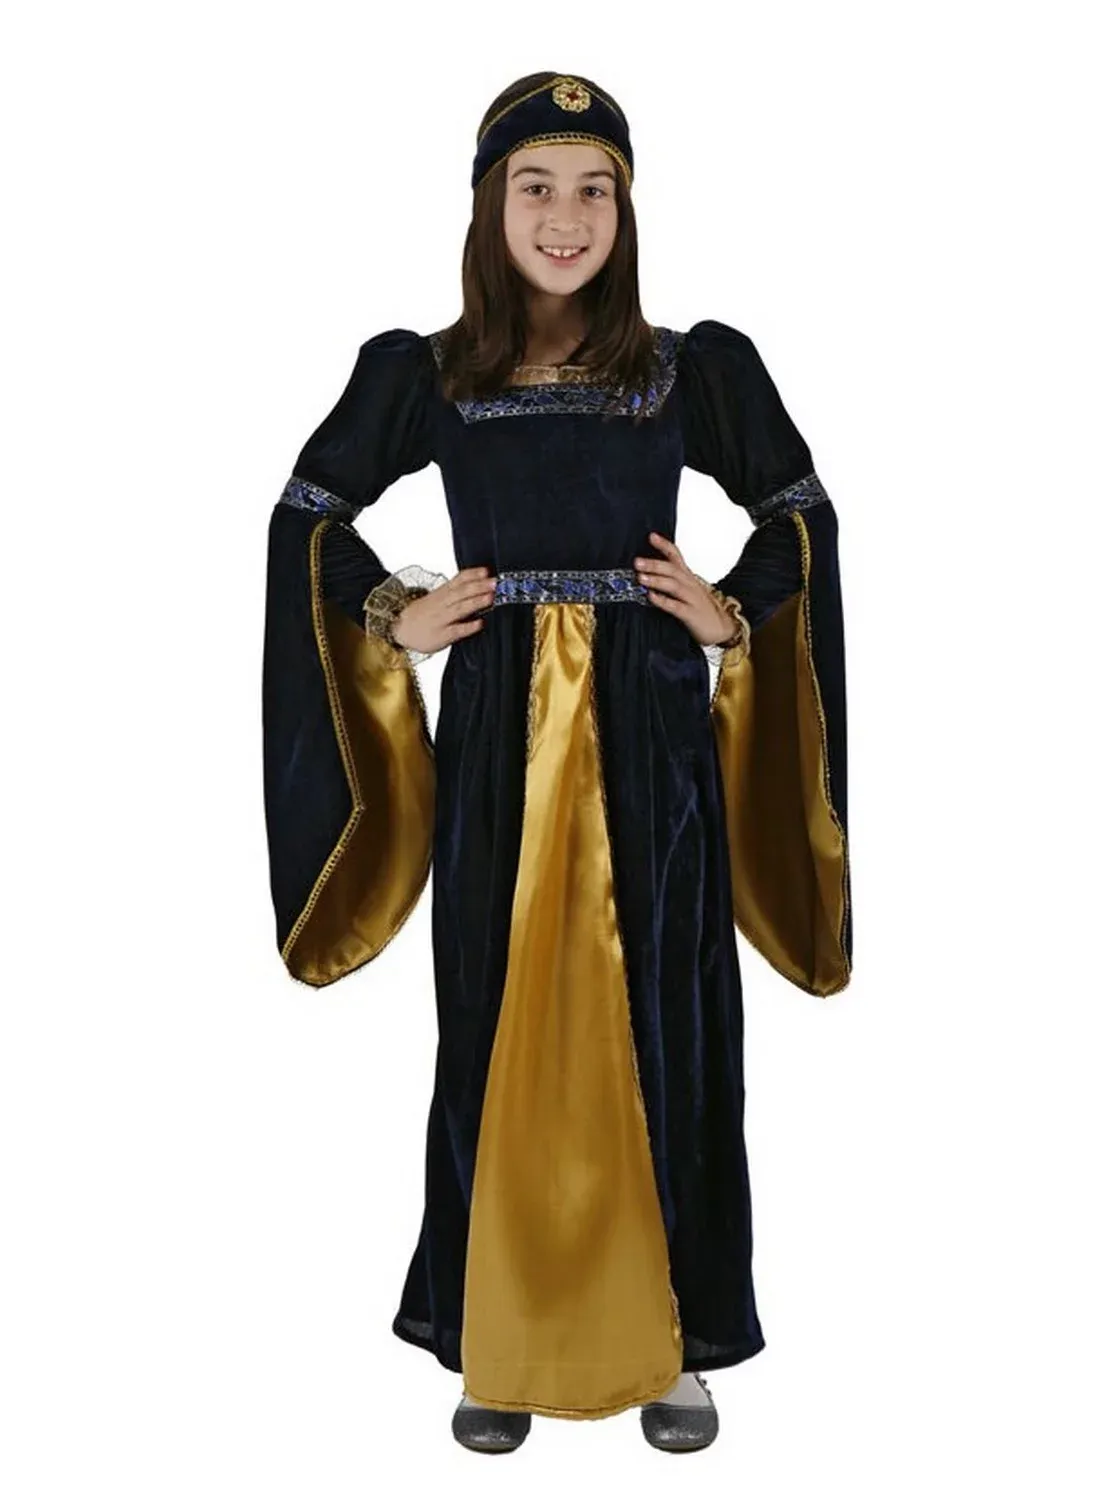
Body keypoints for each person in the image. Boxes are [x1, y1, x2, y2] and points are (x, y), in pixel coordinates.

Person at [261, 70, 852, 1455]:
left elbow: (800, 508)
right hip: (497, 743)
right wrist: (388, 611)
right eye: (536, 187)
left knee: (669, 1018)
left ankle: (676, 1340)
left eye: (595, 190)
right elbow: (307, 512)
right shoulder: (429, 375)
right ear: (490, 206)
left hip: (653, 733)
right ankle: (496, 1334)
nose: (566, 217)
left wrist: (734, 611)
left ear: (626, 211)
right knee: (494, 1015)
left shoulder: (689, 370)